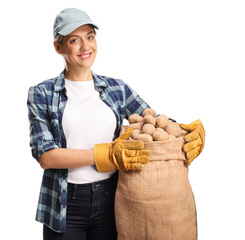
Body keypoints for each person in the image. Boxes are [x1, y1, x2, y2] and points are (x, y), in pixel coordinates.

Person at [27, 8, 205, 240]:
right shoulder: (42, 93)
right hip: (65, 203)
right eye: (74, 40)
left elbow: (152, 123)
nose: (85, 47)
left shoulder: (116, 89)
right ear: (58, 47)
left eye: (90, 37)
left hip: (112, 198)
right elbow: (46, 156)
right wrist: (107, 155)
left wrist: (186, 131)